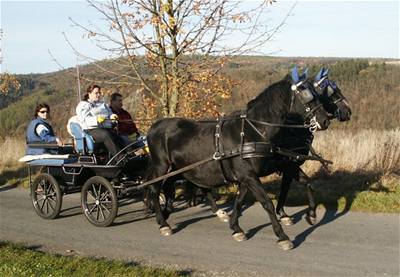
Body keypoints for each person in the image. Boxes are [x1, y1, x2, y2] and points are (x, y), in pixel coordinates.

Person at [76, 84, 123, 157]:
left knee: (118, 137)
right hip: (91, 130)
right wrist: (96, 119)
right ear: (89, 94)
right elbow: (84, 120)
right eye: (96, 93)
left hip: (105, 128)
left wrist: (112, 116)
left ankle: (129, 155)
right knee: (106, 135)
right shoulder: (83, 105)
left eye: (99, 93)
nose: (98, 95)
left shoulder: (103, 104)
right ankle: (120, 158)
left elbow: (109, 113)